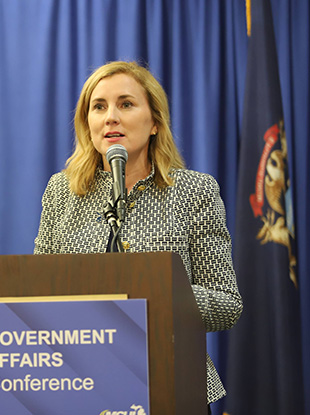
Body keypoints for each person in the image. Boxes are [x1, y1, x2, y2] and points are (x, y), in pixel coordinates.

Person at [34, 61, 243, 408]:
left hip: (174, 384)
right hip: (82, 387)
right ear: (88, 123)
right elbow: (38, 296)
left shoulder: (194, 191)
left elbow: (227, 305)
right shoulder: (62, 192)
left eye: (126, 104)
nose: (110, 117)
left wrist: (159, 292)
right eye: (98, 107)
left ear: (155, 123)